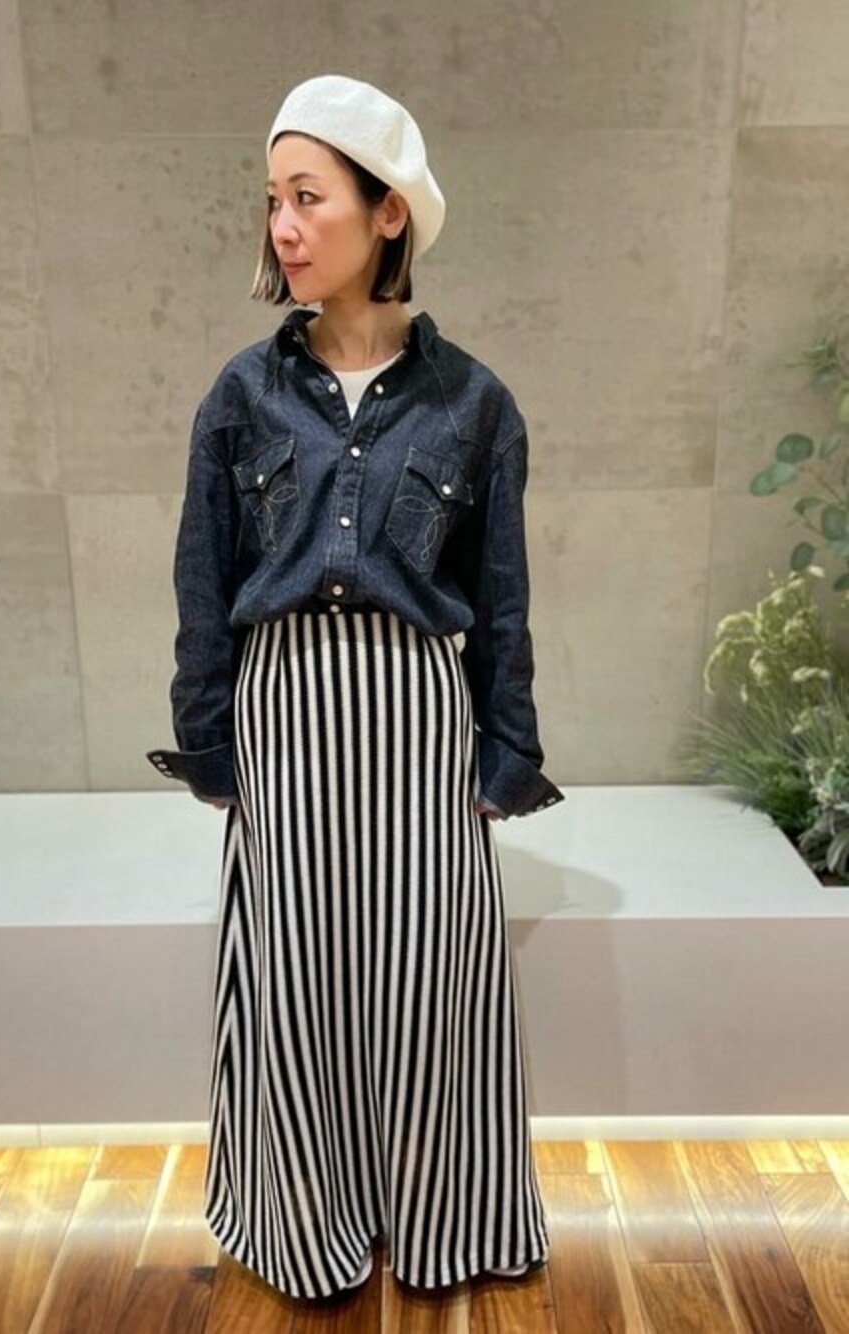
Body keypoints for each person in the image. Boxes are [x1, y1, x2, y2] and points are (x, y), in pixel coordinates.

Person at [151, 72, 564, 1301]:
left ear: (387, 213)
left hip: (415, 716)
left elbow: (500, 596)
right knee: (294, 983)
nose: (283, 226)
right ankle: (305, 1225)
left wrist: (506, 753)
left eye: (308, 197)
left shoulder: (473, 401)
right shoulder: (241, 394)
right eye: (272, 199)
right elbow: (202, 579)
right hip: (283, 709)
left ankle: (446, 1221)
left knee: (432, 981)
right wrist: (207, 738)